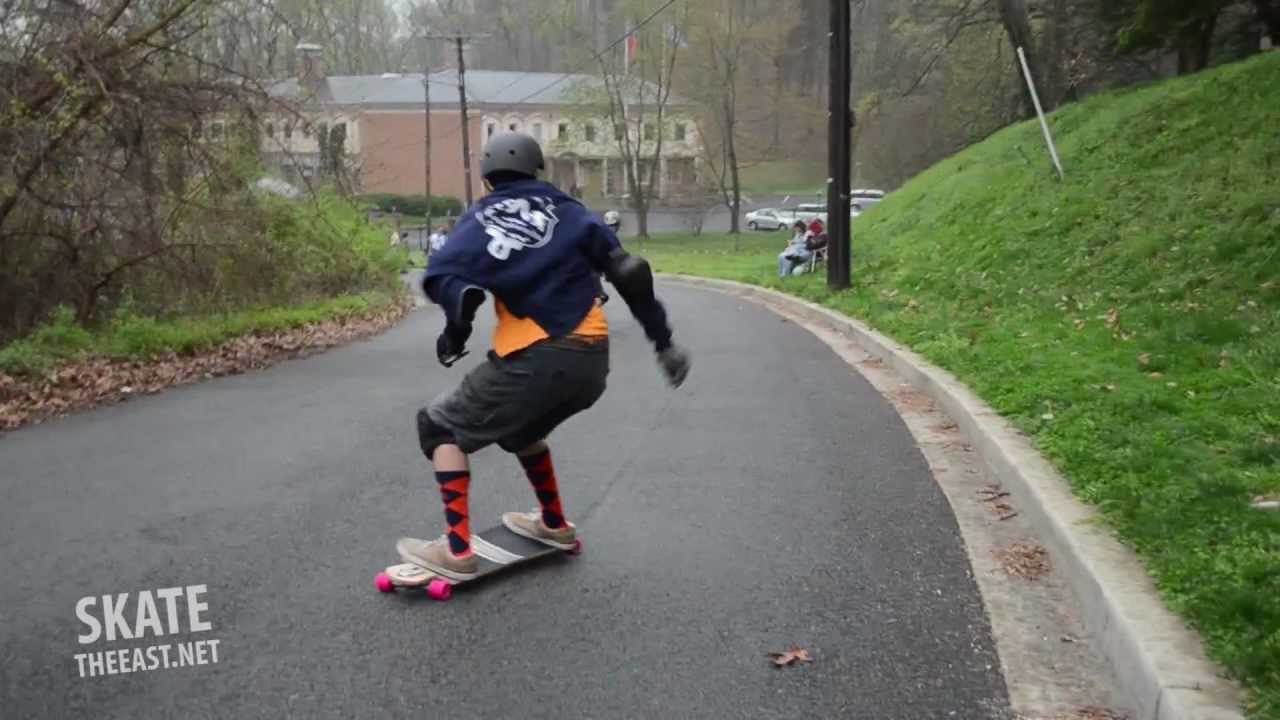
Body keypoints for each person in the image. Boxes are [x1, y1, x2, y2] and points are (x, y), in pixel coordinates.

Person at [400, 132, 692, 580]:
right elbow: (630, 274)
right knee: (520, 432)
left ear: (487, 174)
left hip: (535, 353)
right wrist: (663, 343)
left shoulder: (481, 216)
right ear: (537, 168)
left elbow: (441, 274)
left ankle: (456, 551)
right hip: (591, 361)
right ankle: (553, 523)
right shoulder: (571, 212)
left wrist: (456, 326)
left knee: (439, 427)